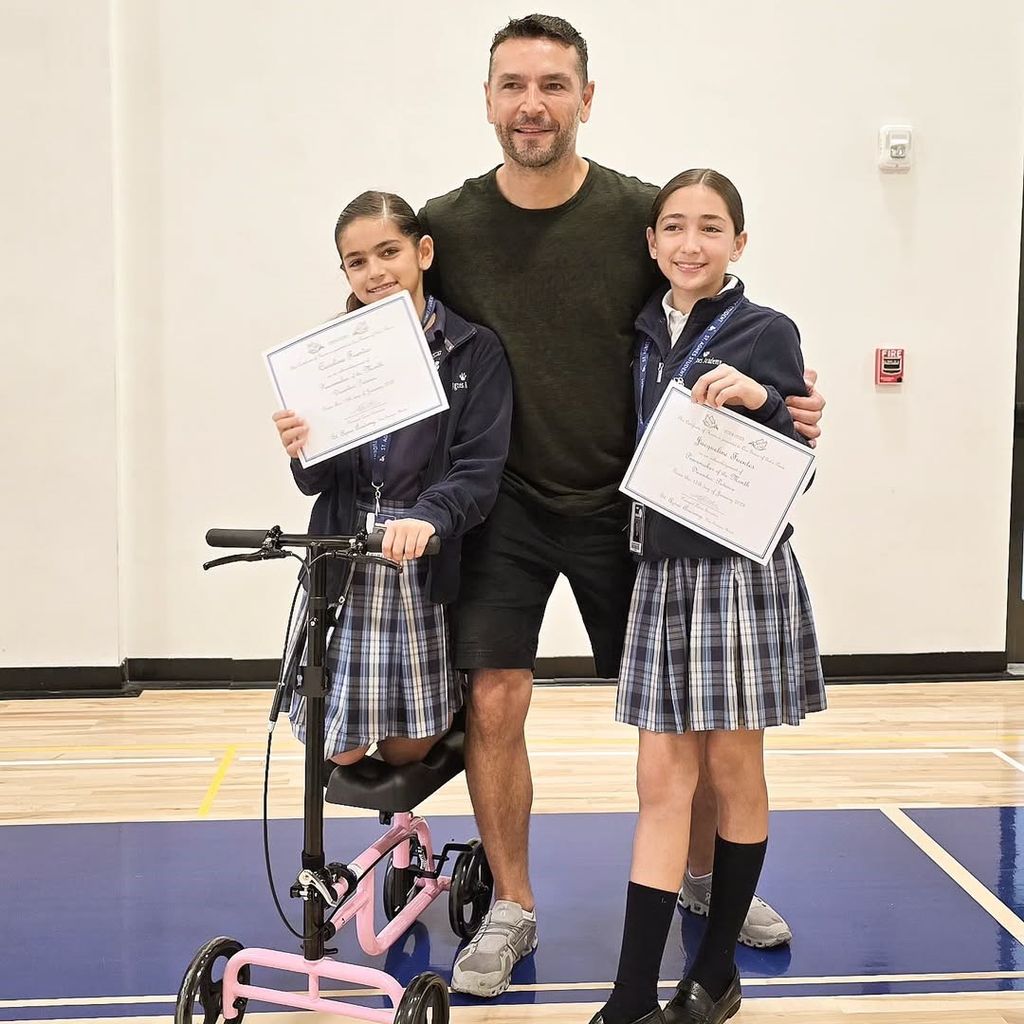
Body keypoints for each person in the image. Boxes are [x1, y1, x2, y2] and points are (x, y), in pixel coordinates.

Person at [418, 15, 826, 996]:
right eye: (513, 84)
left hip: (630, 504)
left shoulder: (643, 214)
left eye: (553, 84)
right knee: (493, 697)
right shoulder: (451, 225)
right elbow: (391, 329)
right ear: (485, 99)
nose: (532, 104)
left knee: (681, 720)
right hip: (506, 503)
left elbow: (711, 309)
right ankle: (511, 904)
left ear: (586, 99)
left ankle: (701, 879)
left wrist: (780, 396)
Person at [590, 169, 826, 1024]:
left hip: (736, 575)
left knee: (733, 771)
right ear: (652, 243)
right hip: (662, 575)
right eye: (675, 227)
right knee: (660, 781)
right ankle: (628, 997)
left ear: (739, 242)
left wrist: (765, 400)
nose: (691, 243)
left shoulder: (767, 330)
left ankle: (715, 970)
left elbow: (799, 463)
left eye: (711, 227)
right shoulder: (644, 331)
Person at [273, 191, 512, 766]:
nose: (375, 272)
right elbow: (317, 483)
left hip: (419, 559)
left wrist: (427, 517)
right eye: (357, 262)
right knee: (340, 753)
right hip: (345, 555)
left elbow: (479, 469)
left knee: (409, 750)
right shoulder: (328, 355)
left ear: (423, 252)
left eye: (389, 252)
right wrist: (303, 447)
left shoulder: (473, 352)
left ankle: (408, 825)